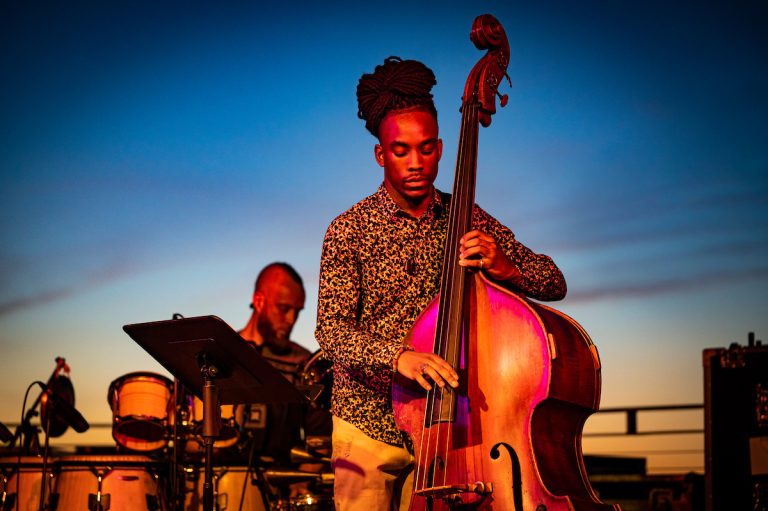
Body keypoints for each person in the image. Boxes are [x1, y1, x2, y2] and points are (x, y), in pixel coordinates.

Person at [314, 57, 567, 510]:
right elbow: (331, 331)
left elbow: (554, 282)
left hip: (451, 429)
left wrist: (506, 265)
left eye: (427, 149)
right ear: (380, 154)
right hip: (366, 421)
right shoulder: (347, 229)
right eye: (401, 151)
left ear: (442, 147)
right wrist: (399, 358)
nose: (417, 163)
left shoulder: (466, 215)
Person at [238, 262, 330, 503]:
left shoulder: (305, 366)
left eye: (297, 311)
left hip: (280, 488)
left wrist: (301, 479)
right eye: (283, 308)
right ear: (258, 301)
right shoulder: (221, 356)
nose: (291, 320)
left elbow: (321, 439)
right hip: (221, 477)